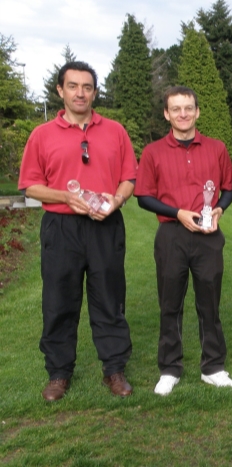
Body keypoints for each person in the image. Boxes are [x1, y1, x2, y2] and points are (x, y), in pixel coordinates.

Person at [18, 61, 135, 401]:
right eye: (73, 86)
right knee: (59, 301)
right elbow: (30, 187)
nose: (80, 93)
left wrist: (117, 199)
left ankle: (114, 369)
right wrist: (67, 197)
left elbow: (129, 177)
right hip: (61, 227)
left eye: (87, 87)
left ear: (94, 92)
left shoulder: (115, 131)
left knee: (109, 300)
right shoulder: (42, 135)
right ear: (60, 90)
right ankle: (58, 373)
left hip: (105, 225)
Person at [135, 86, 232, 396]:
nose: (183, 114)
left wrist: (220, 208)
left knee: (209, 302)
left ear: (197, 112)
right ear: (166, 114)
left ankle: (213, 366)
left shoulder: (216, 148)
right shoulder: (153, 151)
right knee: (170, 302)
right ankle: (170, 368)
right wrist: (177, 213)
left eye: (188, 108)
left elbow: (229, 187)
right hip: (171, 234)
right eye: (176, 109)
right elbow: (143, 197)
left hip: (208, 234)